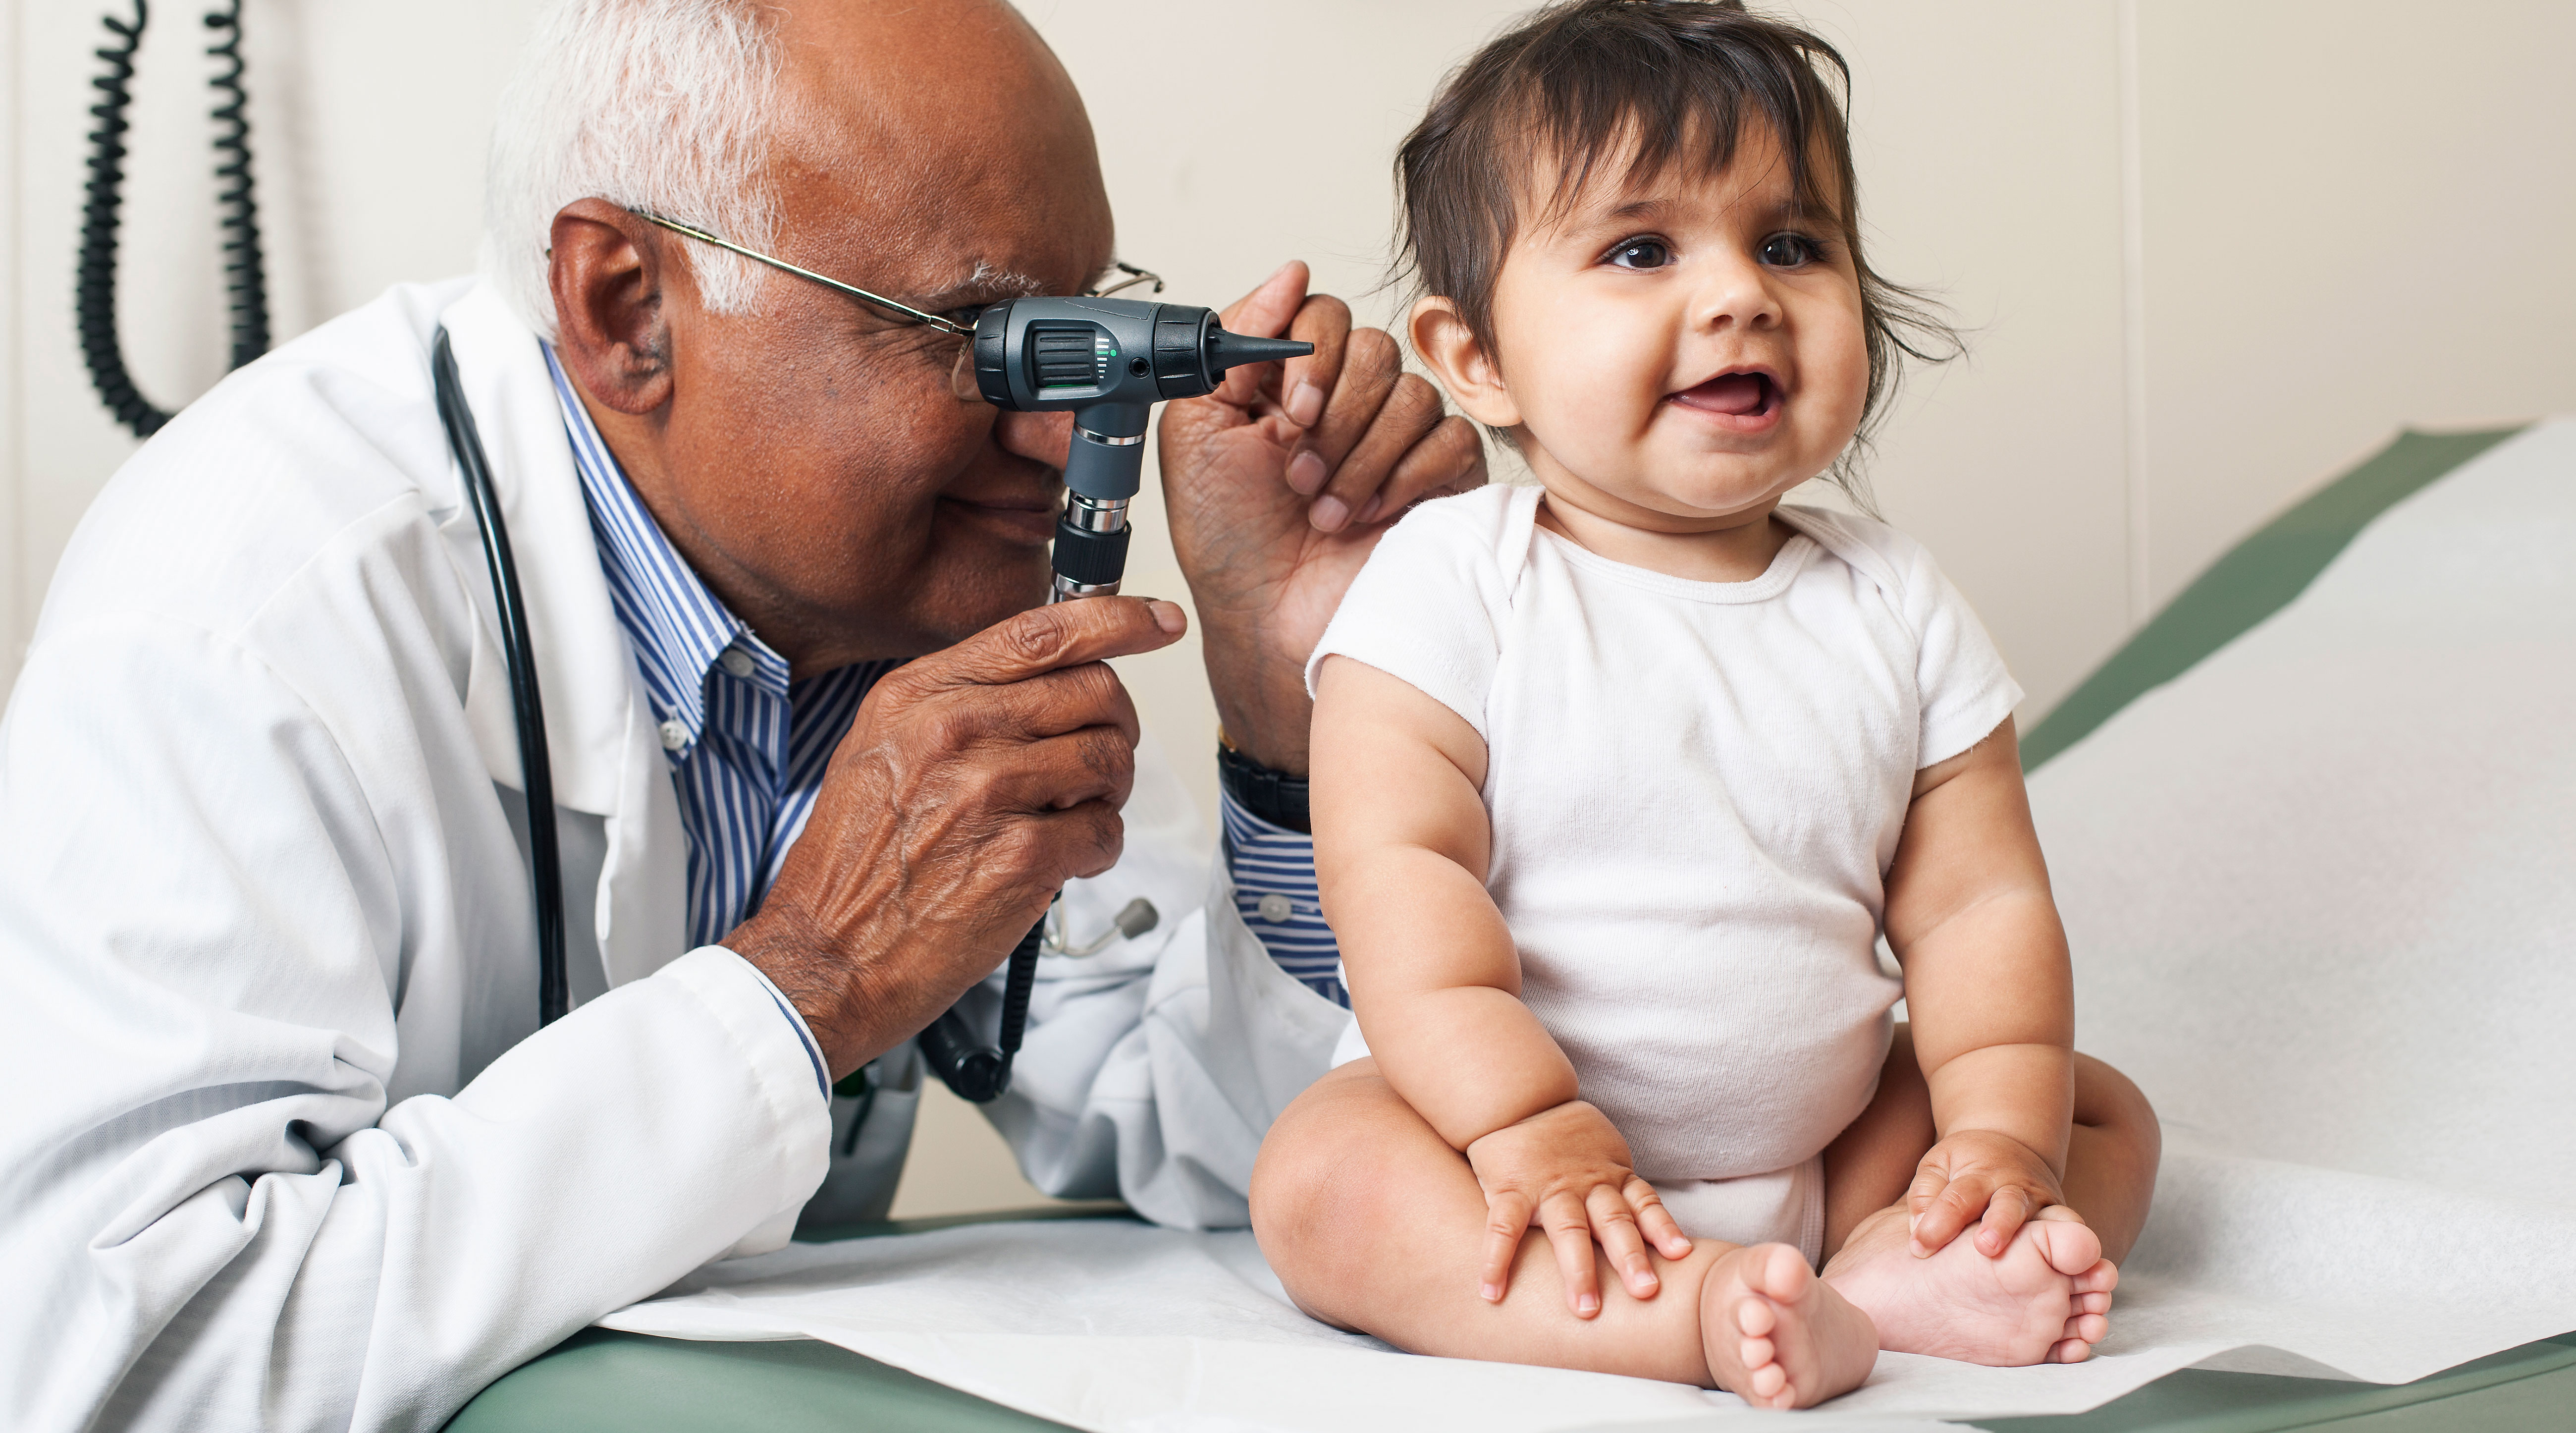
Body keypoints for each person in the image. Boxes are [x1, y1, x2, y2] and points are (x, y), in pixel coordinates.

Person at [0, 1, 1481, 1429]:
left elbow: (1250, 1136)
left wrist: (1302, 713)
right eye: (979, 332)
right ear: (628, 310)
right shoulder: (245, 616)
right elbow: (122, 1364)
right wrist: (809, 978)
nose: (1060, 424)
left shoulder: (881, 595)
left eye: (1080, 328)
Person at [1249, 0, 2161, 1410]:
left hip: (1827, 1140)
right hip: (1511, 1157)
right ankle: (1683, 1314)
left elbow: (1979, 912)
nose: (1741, 293)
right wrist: (1525, 1121)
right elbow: (1398, 874)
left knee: (2094, 1109)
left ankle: (1884, 1264)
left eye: (1791, 244)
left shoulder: (1895, 602)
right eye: (1641, 248)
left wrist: (1993, 1139)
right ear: (1476, 354)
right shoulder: (1452, 580)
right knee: (1321, 1178)